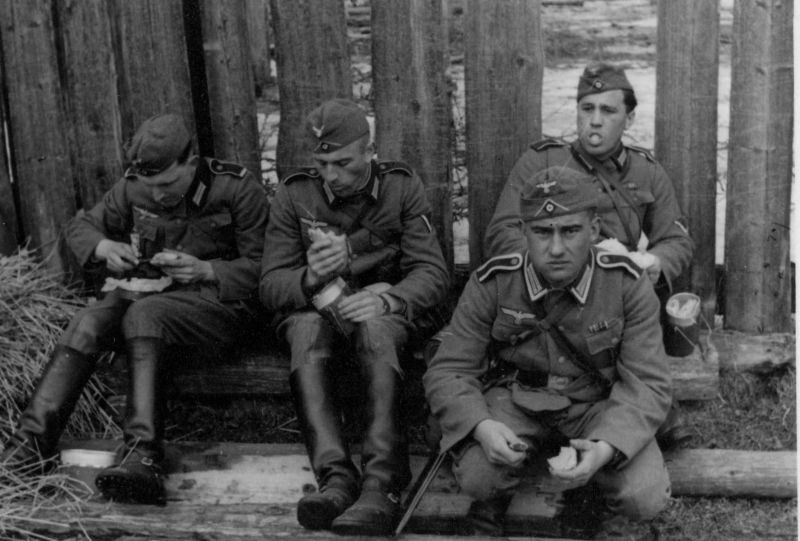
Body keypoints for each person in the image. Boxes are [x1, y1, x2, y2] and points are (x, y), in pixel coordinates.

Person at [0, 113, 269, 505]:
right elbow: (81, 227)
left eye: (167, 185)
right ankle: (27, 449)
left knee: (145, 313)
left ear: (191, 163)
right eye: (150, 186)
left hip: (218, 309)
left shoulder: (236, 188)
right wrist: (104, 247)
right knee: (88, 320)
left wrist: (207, 269)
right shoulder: (133, 188)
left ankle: (142, 457)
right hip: (150, 305)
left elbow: (266, 269)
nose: (157, 196)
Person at [424, 166, 672, 536]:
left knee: (642, 497)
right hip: (517, 400)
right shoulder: (494, 281)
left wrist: (605, 449)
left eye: (570, 231)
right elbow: (448, 370)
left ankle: (590, 493)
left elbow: (648, 382)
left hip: (596, 404)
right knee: (479, 477)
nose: (555, 249)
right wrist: (481, 426)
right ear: (524, 231)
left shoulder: (626, 283)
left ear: (594, 229)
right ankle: (497, 498)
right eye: (542, 232)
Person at [260, 98, 449, 536]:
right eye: (322, 164)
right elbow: (270, 285)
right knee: (304, 329)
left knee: (376, 328)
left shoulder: (400, 187)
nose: (331, 175)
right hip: (319, 316)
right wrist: (309, 277)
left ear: (370, 151)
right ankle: (336, 480)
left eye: (343, 163)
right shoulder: (295, 194)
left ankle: (383, 485)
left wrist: (390, 300)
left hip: (385, 317)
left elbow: (432, 272)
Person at [485, 62, 692, 296]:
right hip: (551, 292)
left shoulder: (647, 171)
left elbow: (676, 241)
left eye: (608, 111)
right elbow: (501, 233)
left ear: (629, 119)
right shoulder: (541, 161)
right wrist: (558, 262)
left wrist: (655, 262)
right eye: (587, 108)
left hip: (617, 293)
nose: (595, 120)